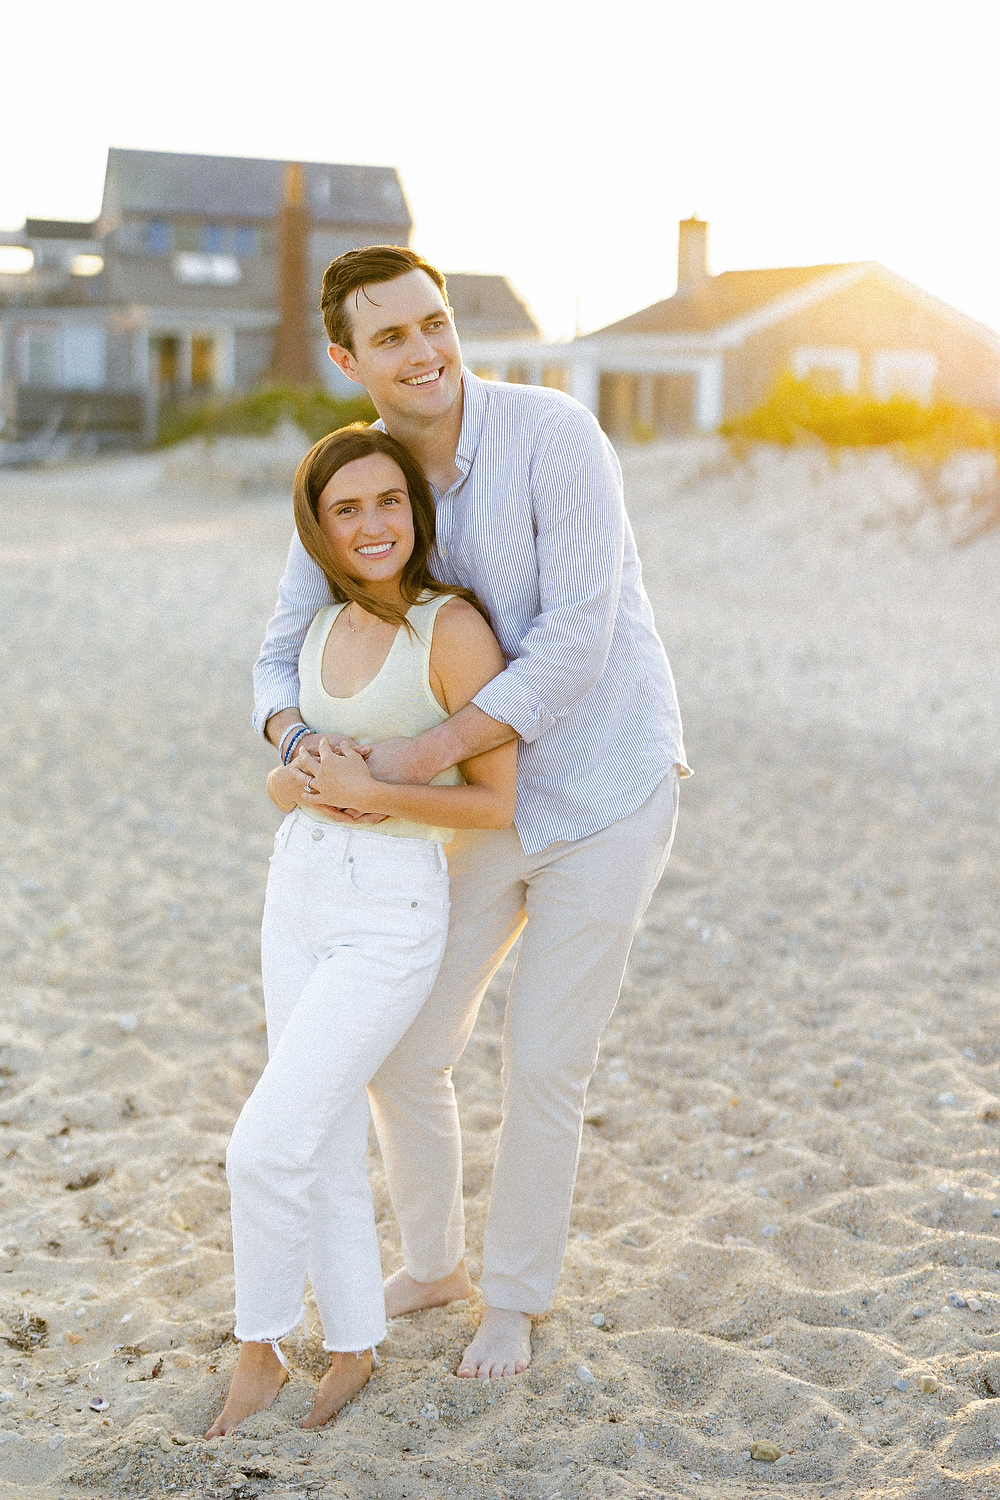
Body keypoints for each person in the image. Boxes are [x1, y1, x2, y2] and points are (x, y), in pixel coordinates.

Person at [254, 245, 690, 1381]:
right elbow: (278, 644)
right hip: (482, 809)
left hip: (605, 788)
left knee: (542, 1060)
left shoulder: (554, 437)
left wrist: (414, 754)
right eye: (391, 336)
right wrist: (299, 746)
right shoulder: (372, 477)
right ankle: (437, 1262)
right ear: (349, 358)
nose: (426, 351)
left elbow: (574, 646)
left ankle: (513, 1297)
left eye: (434, 323)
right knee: (405, 1043)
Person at [208, 425, 515, 1437]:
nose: (373, 524)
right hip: (294, 891)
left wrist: (376, 791)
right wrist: (296, 777)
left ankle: (258, 1348)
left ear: (414, 513)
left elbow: (497, 802)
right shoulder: (320, 628)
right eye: (347, 509)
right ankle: (350, 1344)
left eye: (389, 501)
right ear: (321, 529)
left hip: (391, 910)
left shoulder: (452, 628)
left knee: (261, 1147)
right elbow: (284, 783)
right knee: (326, 1135)